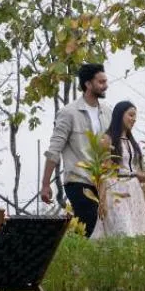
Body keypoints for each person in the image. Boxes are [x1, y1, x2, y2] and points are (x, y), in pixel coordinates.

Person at [39, 62, 108, 237]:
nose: (105, 85)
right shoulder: (68, 113)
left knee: (102, 230)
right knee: (89, 226)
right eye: (101, 82)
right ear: (88, 84)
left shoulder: (108, 112)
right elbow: (54, 149)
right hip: (78, 179)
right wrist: (46, 184)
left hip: (103, 182)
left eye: (105, 81)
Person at [93, 101, 145, 238]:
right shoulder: (107, 139)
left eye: (135, 116)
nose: (134, 119)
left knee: (138, 234)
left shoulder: (131, 141)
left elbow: (134, 168)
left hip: (134, 190)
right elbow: (102, 172)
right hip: (115, 190)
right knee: (123, 233)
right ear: (120, 115)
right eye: (130, 115)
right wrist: (101, 200)